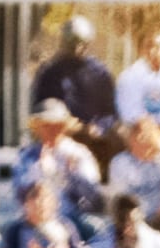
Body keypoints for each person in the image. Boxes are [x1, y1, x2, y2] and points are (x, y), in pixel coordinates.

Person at [30, 15, 120, 172]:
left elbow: (110, 112)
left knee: (116, 142)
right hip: (59, 132)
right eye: (72, 43)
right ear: (63, 42)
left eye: (81, 44)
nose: (77, 49)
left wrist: (100, 127)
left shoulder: (100, 73)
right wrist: (61, 123)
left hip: (93, 136)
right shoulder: (49, 72)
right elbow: (39, 108)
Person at [13, 98, 104, 237]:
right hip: (36, 219)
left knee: (97, 229)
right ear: (37, 128)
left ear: (65, 127)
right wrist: (38, 171)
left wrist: (72, 175)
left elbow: (93, 195)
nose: (53, 130)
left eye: (58, 125)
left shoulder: (78, 153)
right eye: (46, 125)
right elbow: (19, 194)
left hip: (71, 218)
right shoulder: (27, 155)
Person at [106, 116, 160, 234]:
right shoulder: (120, 163)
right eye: (139, 139)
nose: (144, 146)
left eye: (148, 139)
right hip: (136, 222)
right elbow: (120, 201)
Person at [114, 31, 160, 146]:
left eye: (157, 47)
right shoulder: (130, 76)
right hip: (139, 127)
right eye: (148, 47)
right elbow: (127, 109)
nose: (152, 52)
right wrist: (145, 125)